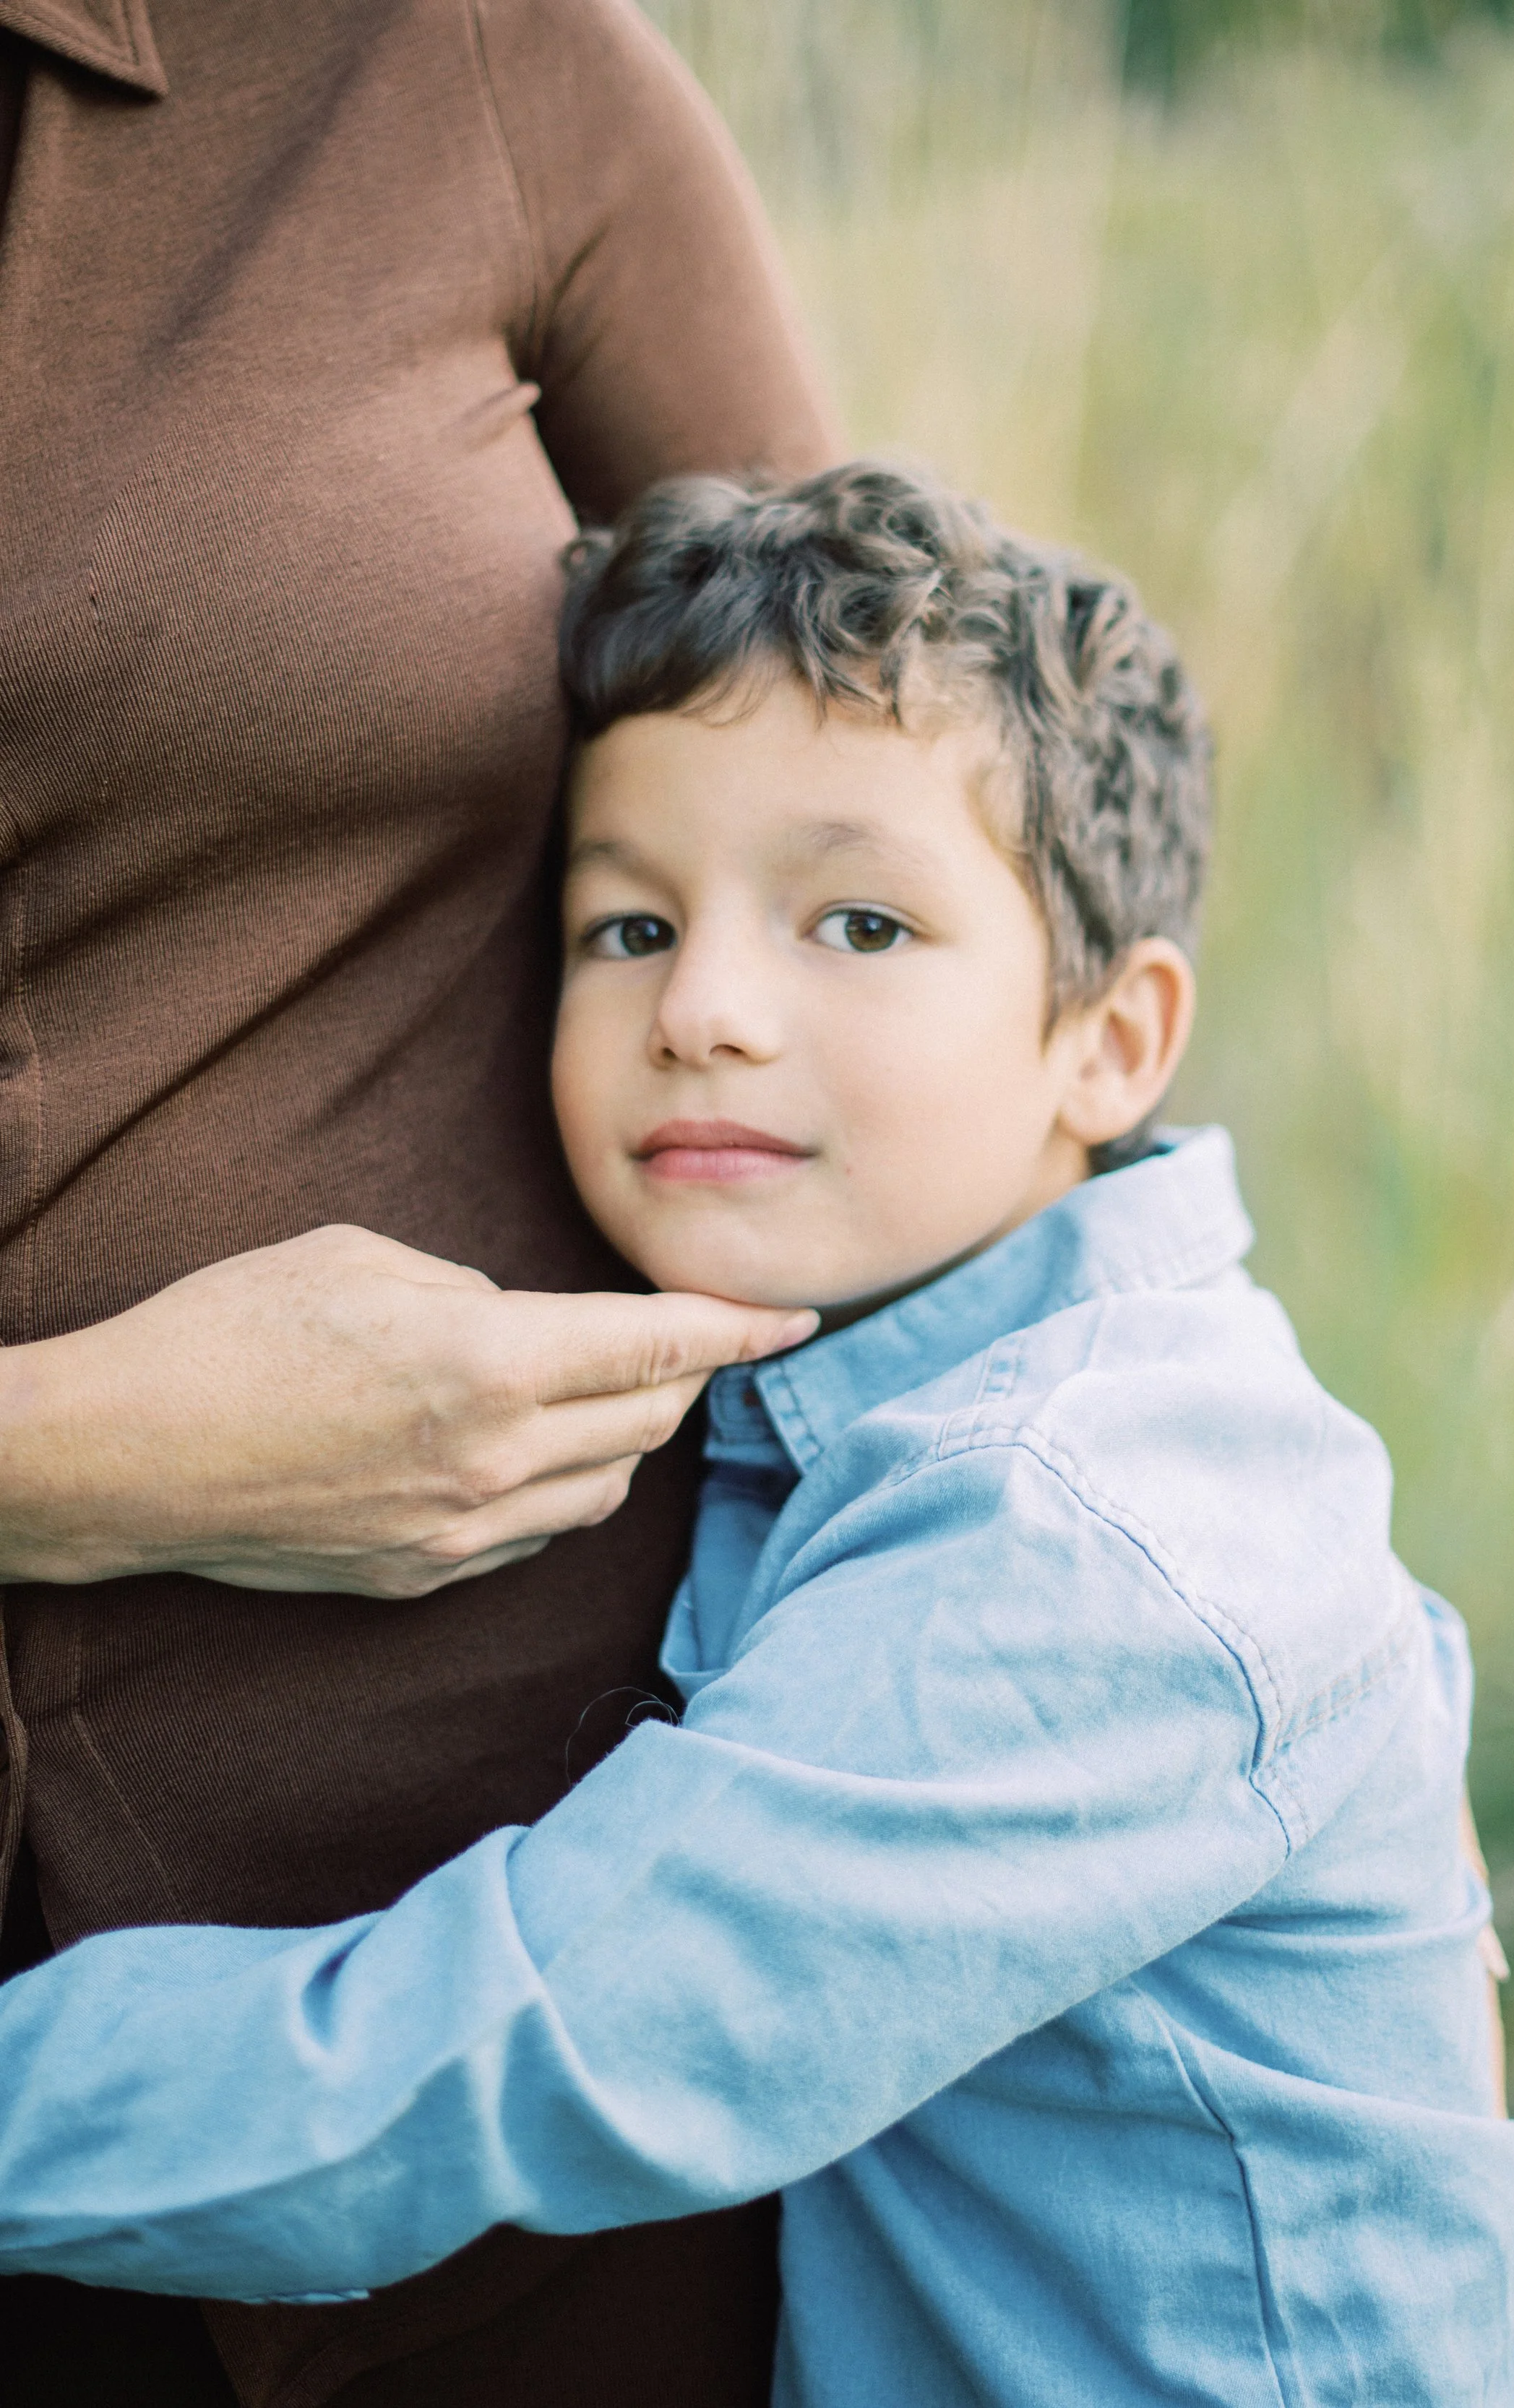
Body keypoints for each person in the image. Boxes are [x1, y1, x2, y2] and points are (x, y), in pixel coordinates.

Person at [0, 463, 1514, 2403]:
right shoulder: (1052, 1391)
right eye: (623, 926)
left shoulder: (1071, 1520)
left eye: (856, 920)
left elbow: (534, 2045)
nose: (710, 1008)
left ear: (1108, 1038)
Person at [0, 4, 836, 2402]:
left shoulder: (449, 55)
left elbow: (932, 834)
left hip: (514, 1953)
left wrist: (1282, 1658)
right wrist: (72, 1454)